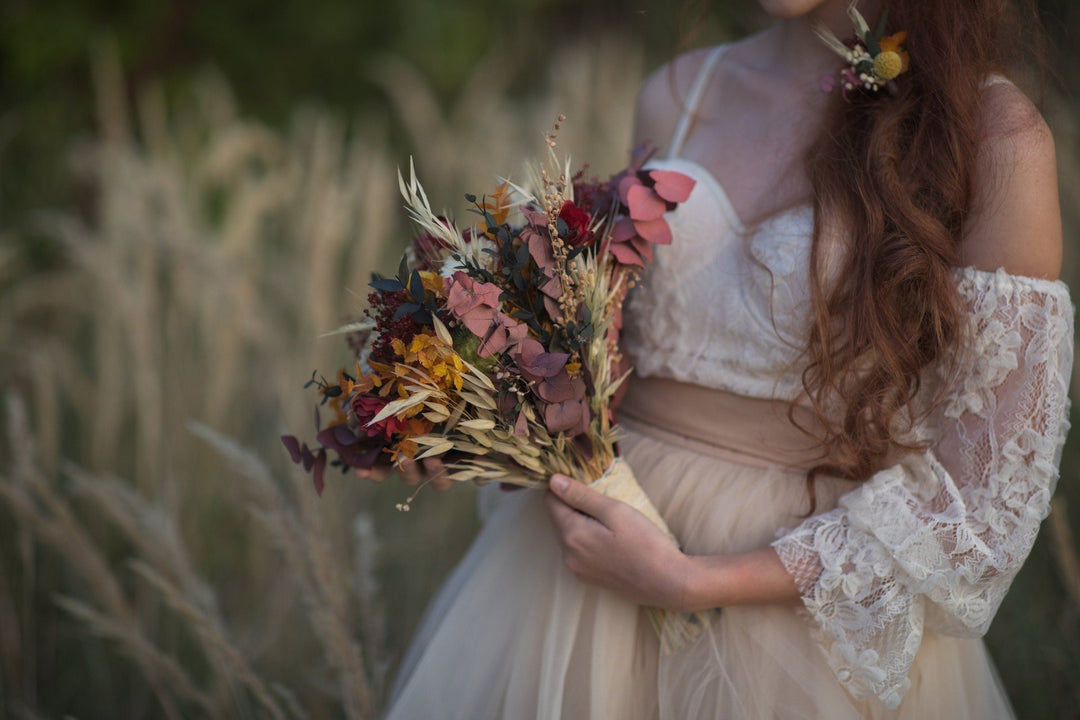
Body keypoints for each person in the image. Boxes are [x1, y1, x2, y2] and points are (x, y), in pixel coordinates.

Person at [381, 0, 1073, 717]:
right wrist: (479, 415)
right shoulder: (678, 93)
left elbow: (983, 508)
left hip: (793, 614)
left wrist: (695, 582)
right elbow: (612, 352)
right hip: (589, 564)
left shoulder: (991, 134)